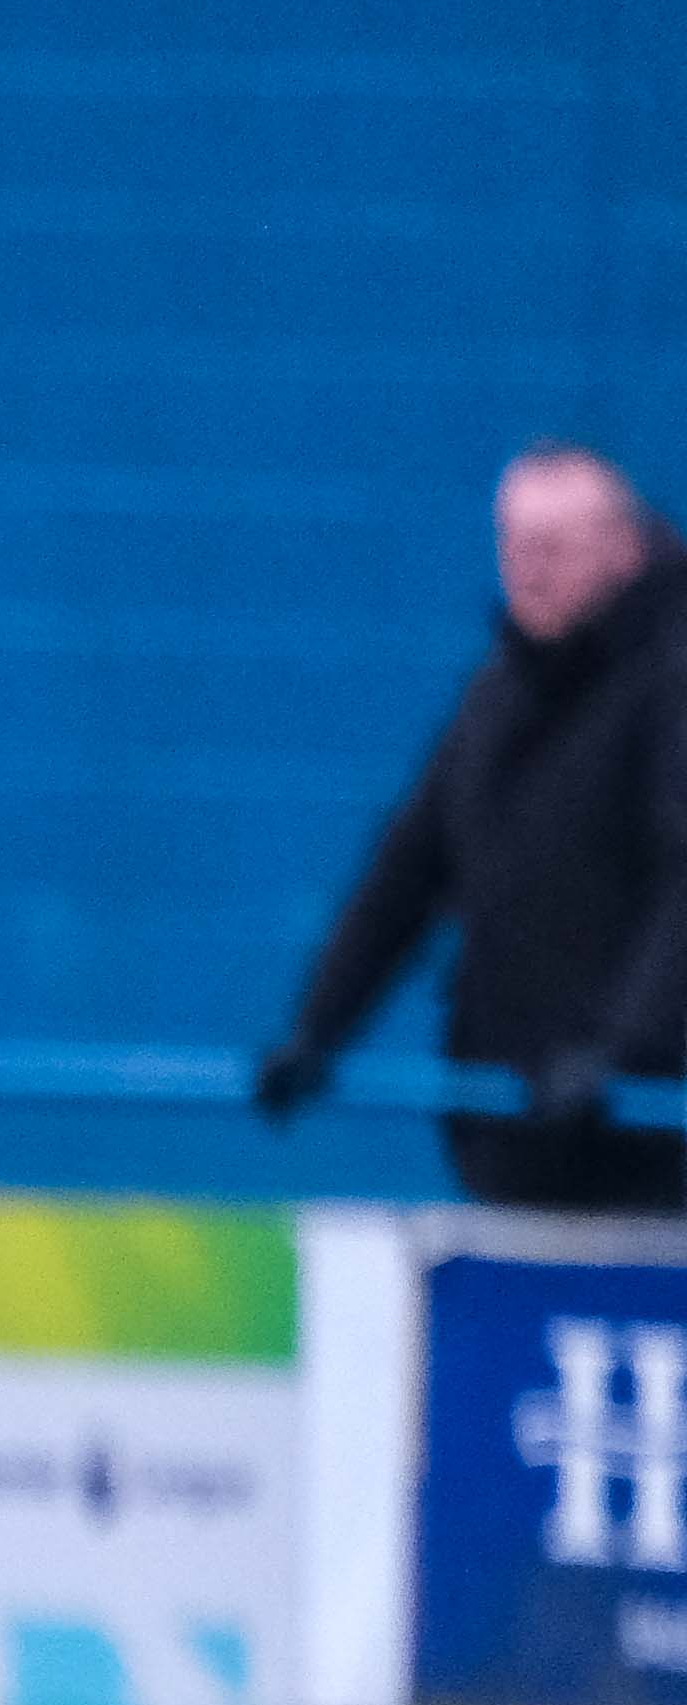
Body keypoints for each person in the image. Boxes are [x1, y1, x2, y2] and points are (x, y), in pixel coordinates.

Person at [256, 444, 687, 1218]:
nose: (529, 569)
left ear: (623, 550)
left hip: (649, 1148)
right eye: (514, 544)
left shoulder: (669, 686)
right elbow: (407, 873)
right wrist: (317, 1030)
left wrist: (620, 1056)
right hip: (514, 1137)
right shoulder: (499, 694)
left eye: (554, 547)